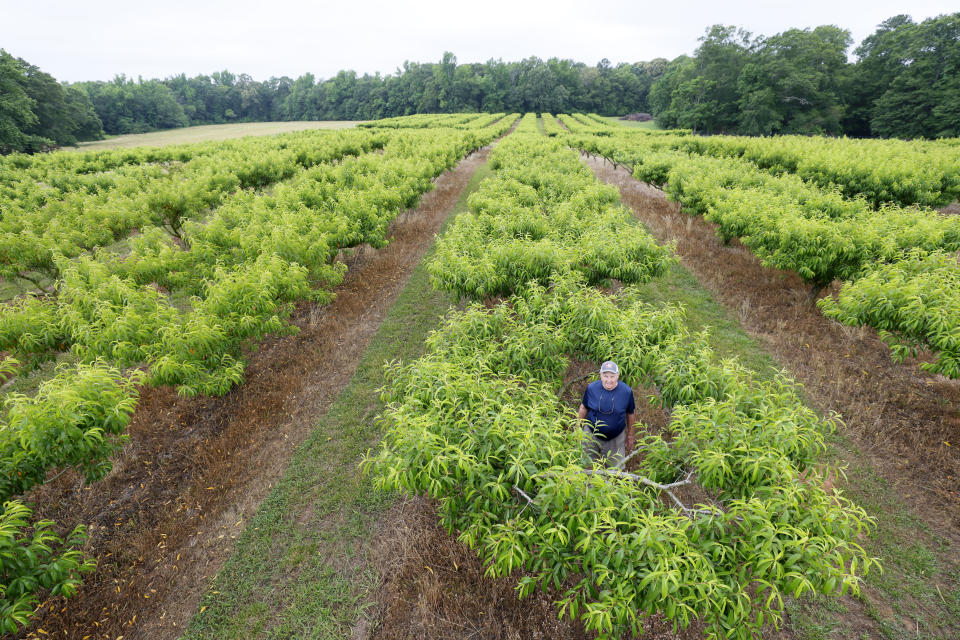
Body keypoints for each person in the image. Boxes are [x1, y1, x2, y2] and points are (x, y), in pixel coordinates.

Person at [578, 361, 636, 467]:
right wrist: (578, 428)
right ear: (600, 375)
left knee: (615, 472)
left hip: (616, 438)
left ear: (617, 376)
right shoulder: (591, 388)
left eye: (612, 376)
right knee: (587, 467)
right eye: (605, 376)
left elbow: (630, 413)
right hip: (591, 435)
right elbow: (583, 408)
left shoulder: (626, 391)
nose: (609, 380)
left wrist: (630, 436)